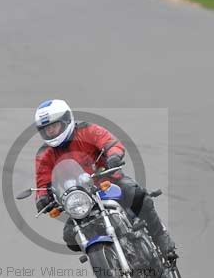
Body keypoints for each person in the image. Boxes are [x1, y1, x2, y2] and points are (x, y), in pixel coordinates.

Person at [32, 99, 177, 258]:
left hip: (108, 182)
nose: (51, 131)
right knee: (70, 236)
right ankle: (108, 256)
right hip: (80, 199)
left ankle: (160, 236)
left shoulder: (88, 130)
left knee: (138, 196)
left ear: (66, 120)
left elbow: (110, 143)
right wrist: (42, 197)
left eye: (54, 126)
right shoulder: (44, 154)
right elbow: (42, 180)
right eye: (46, 129)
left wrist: (113, 155)